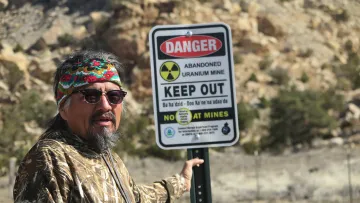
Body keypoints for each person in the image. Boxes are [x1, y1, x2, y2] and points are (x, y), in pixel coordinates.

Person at [13, 50, 204, 202]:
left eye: (114, 96)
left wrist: (181, 182)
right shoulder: (50, 158)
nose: (105, 106)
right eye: (91, 96)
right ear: (63, 108)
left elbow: (134, 197)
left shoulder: (107, 157)